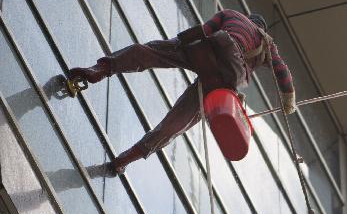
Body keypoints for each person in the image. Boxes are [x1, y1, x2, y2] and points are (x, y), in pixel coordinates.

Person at [67, 10, 296, 173]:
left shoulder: (231, 14)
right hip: (224, 76)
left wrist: (173, 46)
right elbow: (282, 72)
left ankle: (99, 70)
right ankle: (123, 160)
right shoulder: (266, 42)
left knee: (147, 52)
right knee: (175, 125)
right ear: (262, 27)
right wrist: (288, 101)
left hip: (206, 48)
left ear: (248, 17)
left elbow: (203, 30)